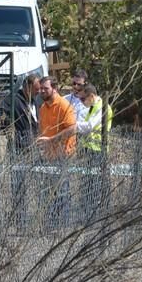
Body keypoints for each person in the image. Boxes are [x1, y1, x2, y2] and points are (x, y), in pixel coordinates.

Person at [0, 74, 41, 230]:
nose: (38, 92)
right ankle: (20, 221)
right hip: (19, 149)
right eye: (36, 89)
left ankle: (38, 221)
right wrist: (12, 131)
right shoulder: (13, 100)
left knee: (39, 184)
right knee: (19, 186)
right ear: (27, 87)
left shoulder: (35, 101)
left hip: (36, 148)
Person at [36, 76, 77, 229]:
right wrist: (42, 145)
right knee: (49, 192)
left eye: (45, 88)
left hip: (63, 156)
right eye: (40, 88)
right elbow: (42, 131)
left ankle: (63, 226)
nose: (41, 91)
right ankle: (51, 225)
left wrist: (52, 140)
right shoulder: (42, 108)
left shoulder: (64, 105)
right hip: (48, 157)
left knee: (62, 192)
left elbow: (72, 128)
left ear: (54, 88)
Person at [76, 84, 113, 222]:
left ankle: (99, 215)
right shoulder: (92, 107)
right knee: (88, 183)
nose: (82, 102)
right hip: (89, 150)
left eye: (83, 99)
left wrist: (73, 126)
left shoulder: (103, 108)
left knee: (96, 183)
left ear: (91, 96)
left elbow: (90, 127)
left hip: (98, 150)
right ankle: (88, 214)